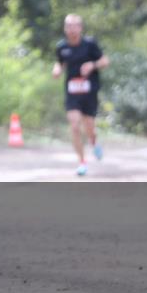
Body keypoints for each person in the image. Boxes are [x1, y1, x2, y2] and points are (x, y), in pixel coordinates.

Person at [52, 14, 109, 176]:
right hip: (72, 92)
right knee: (75, 125)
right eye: (68, 26)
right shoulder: (62, 47)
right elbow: (60, 62)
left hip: (89, 92)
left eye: (75, 26)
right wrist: (57, 69)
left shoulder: (90, 44)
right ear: (65, 28)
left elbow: (105, 61)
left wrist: (92, 64)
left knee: (90, 127)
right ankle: (82, 162)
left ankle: (94, 141)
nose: (71, 29)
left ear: (80, 28)